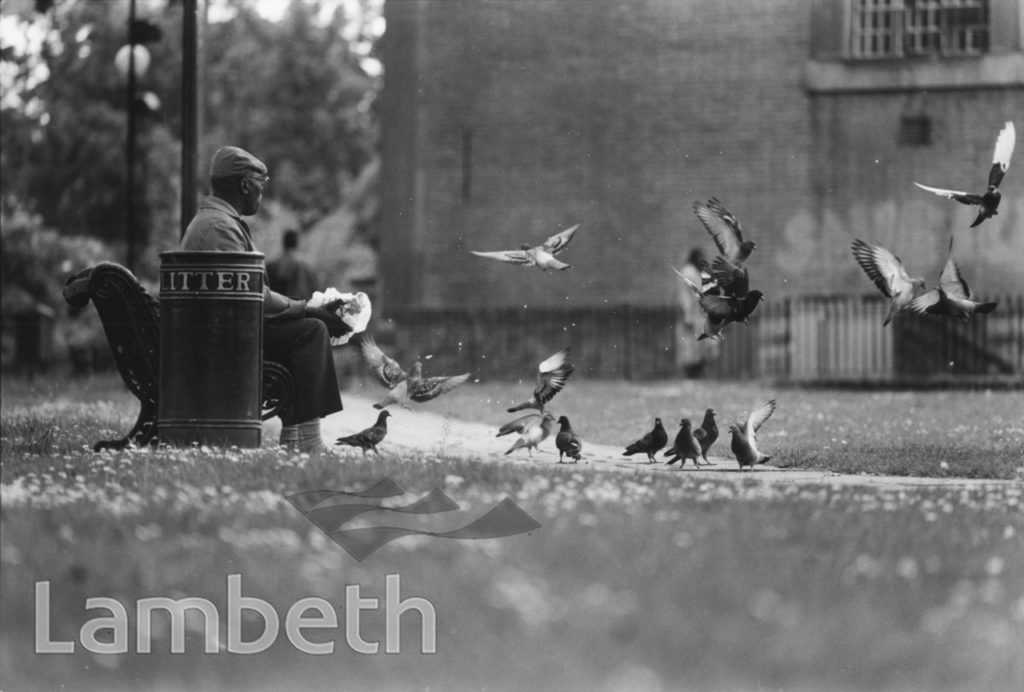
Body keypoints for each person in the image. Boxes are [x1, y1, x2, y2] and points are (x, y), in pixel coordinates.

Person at [181, 145, 350, 454]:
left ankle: (295, 439)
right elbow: (251, 298)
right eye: (261, 183)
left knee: (308, 325)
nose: (262, 191)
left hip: (221, 334)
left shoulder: (216, 222)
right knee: (311, 331)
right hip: (225, 343)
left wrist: (303, 309)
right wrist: (305, 308)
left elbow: (248, 294)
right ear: (245, 184)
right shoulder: (220, 227)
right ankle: (308, 443)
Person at [267, 229, 320, 301]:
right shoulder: (307, 266)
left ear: (283, 243)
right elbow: (316, 290)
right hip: (304, 307)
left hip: (282, 308)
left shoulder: (273, 265)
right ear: (297, 243)